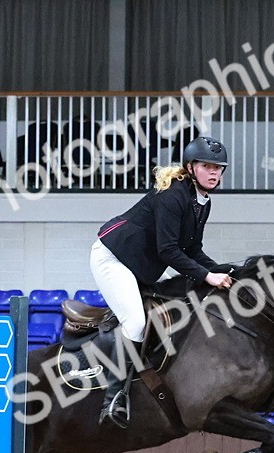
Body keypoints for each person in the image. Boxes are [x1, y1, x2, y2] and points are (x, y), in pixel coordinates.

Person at [89, 136, 235, 428]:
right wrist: (208, 275)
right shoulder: (173, 196)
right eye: (207, 166)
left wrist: (225, 271)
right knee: (135, 323)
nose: (214, 173)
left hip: (142, 265)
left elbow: (192, 251)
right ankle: (113, 398)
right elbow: (168, 250)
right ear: (191, 167)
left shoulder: (201, 201)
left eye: (219, 168)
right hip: (114, 258)